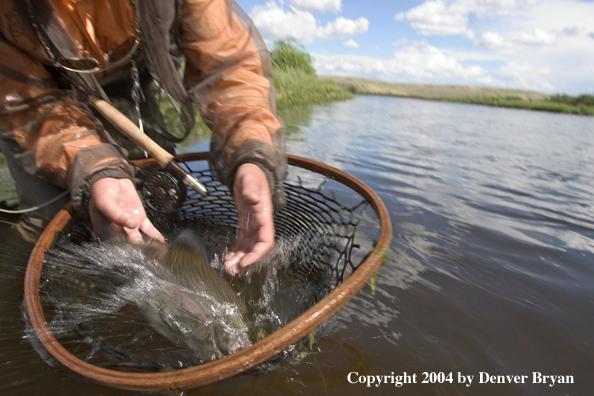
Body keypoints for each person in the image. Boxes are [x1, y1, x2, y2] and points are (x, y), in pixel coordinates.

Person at [0, 0, 287, 275]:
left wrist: (251, 152)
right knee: (47, 225)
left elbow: (230, 67)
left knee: (157, 204)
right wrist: (94, 170)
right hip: (41, 105)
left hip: (138, 85)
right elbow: (25, 105)